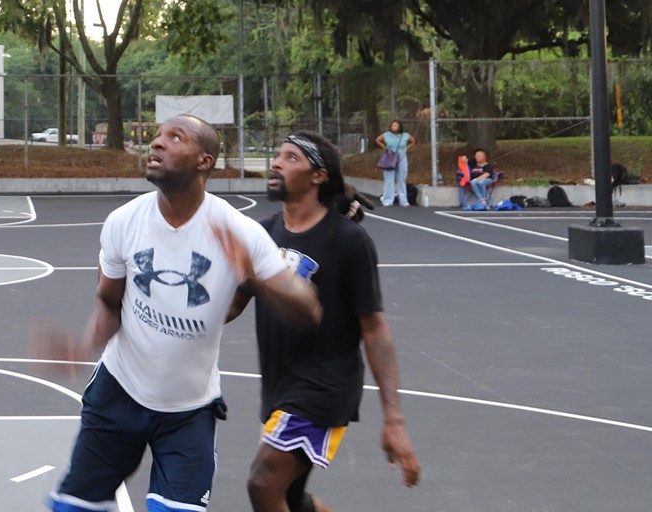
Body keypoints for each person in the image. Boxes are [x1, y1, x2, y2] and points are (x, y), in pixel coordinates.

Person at [34, 115, 321, 512]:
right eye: (155, 136)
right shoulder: (124, 222)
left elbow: (309, 310)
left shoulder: (239, 233)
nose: (156, 143)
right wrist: (83, 344)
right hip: (120, 392)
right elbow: (108, 302)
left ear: (204, 161)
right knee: (71, 508)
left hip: (188, 411)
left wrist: (258, 275)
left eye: (174, 137)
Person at [228, 131, 421, 512]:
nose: (277, 163)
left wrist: (393, 420)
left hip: (324, 386)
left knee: (262, 482)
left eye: (291, 157)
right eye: (277, 155)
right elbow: (233, 305)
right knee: (290, 498)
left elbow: (374, 329)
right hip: (280, 384)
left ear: (318, 175)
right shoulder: (263, 234)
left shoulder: (348, 241)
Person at [374, 120, 414, 207]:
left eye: (395, 125)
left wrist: (406, 148)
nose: (393, 127)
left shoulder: (405, 135)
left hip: (402, 157)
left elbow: (412, 141)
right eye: (392, 125)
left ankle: (403, 200)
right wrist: (385, 148)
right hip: (390, 157)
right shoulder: (386, 135)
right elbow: (378, 140)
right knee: (389, 178)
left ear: (399, 127)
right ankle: (388, 200)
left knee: (402, 178)